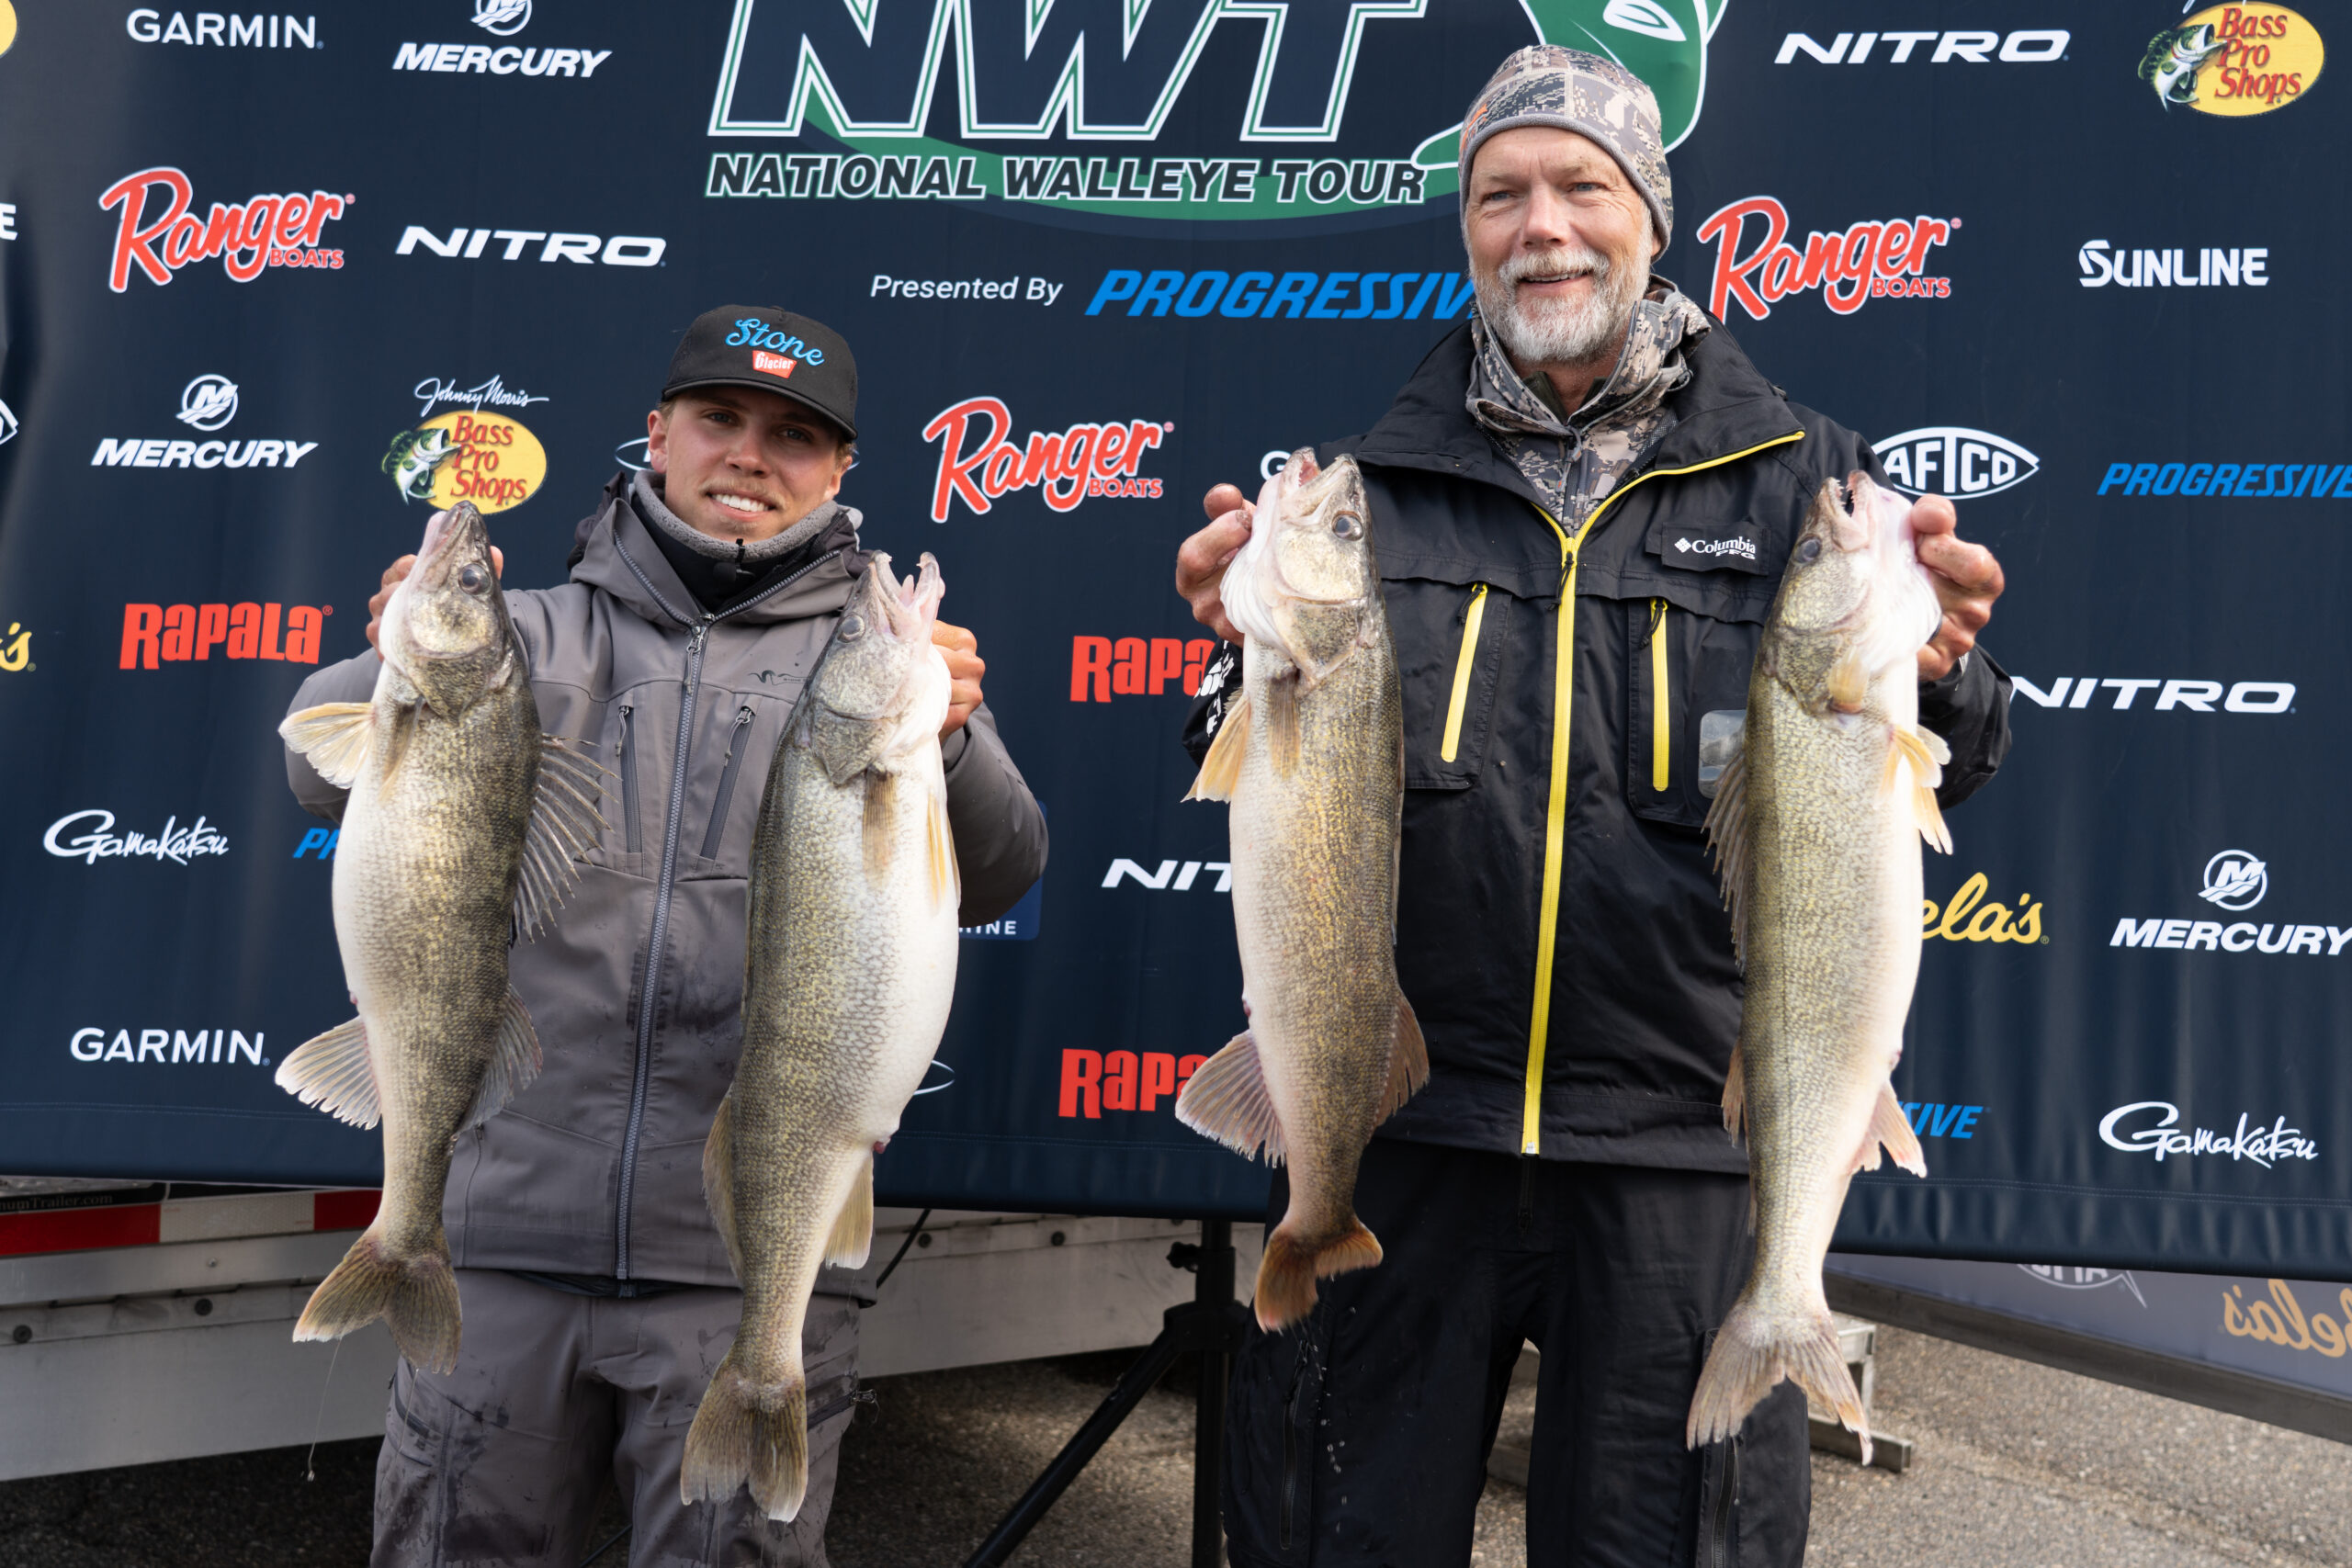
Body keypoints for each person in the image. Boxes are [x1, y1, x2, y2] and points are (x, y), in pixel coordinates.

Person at [1173, 49, 2008, 1568]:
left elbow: (1947, 761)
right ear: (1466, 229)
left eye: (1583, 187)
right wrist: (1232, 653)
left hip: (1680, 1142)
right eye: (1501, 195)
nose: (1541, 226)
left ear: (1653, 219)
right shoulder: (1370, 487)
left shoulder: (1808, 481)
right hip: (1408, 1131)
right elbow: (1272, 777)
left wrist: (1945, 677)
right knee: (1334, 1540)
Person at [284, 304, 1048, 1567]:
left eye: (793, 436)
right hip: (498, 1250)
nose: (749, 455)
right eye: (719, 418)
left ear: (839, 471)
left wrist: (955, 739)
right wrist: (389, 663)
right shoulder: (524, 631)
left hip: (740, 1270)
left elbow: (1002, 869)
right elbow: (318, 778)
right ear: (657, 433)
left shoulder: (879, 665)